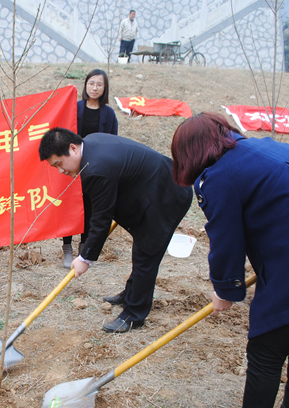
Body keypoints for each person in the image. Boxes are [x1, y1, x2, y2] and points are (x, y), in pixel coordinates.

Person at [170, 112, 289, 408]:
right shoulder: (267, 147)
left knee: (266, 352)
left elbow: (226, 239)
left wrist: (225, 289)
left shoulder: (220, 176)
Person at [39, 127, 192, 333]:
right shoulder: (91, 143)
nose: (61, 171)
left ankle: (134, 314)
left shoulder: (96, 168)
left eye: (59, 163)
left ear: (73, 148)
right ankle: (131, 294)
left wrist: (85, 258)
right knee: (141, 251)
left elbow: (100, 219)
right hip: (151, 188)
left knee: (146, 253)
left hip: (168, 194)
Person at [62, 69, 118, 269]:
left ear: (105, 88)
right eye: (91, 83)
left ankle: (84, 249)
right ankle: (66, 247)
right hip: (73, 165)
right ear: (85, 85)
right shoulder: (75, 108)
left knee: (90, 206)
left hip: (96, 166)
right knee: (69, 205)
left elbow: (113, 142)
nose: (95, 88)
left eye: (99, 84)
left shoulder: (109, 113)